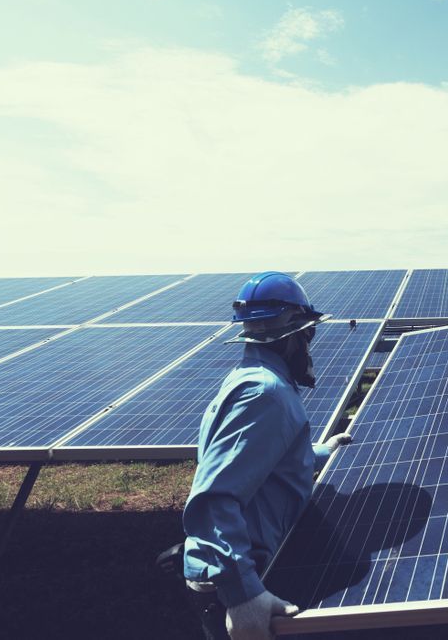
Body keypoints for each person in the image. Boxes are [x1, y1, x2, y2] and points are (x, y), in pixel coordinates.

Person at [180, 271, 352, 640]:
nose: (310, 342)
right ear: (293, 335)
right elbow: (213, 499)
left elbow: (261, 459)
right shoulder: (264, 395)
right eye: (308, 332)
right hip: (236, 579)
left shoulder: (253, 378)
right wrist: (243, 596)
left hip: (240, 567)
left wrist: (323, 452)